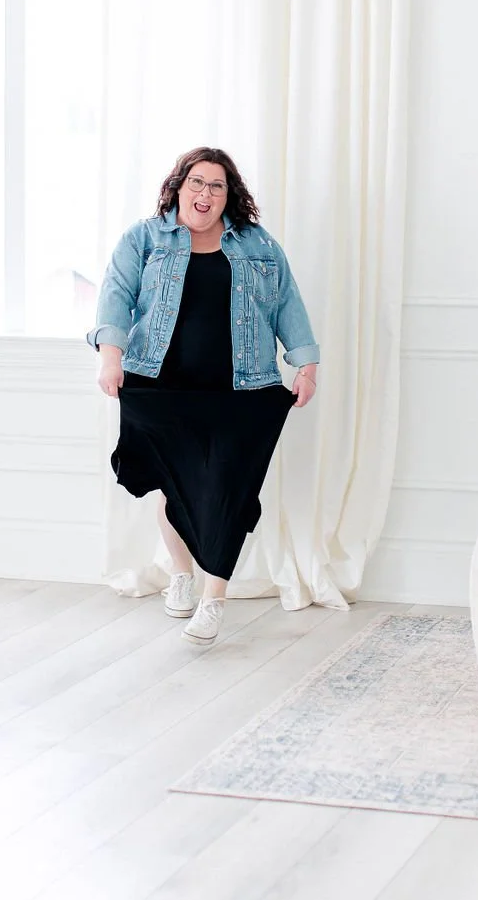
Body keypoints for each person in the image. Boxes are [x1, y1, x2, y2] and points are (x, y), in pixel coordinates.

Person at [88, 146, 319, 646]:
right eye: (197, 182)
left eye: (217, 186)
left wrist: (306, 363)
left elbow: (288, 303)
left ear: (229, 195)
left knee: (229, 492)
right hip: (161, 386)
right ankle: (181, 573)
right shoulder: (145, 239)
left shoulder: (258, 246)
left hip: (240, 389)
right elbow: (116, 296)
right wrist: (110, 356)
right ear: (178, 187)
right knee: (177, 487)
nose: (206, 194)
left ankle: (214, 599)